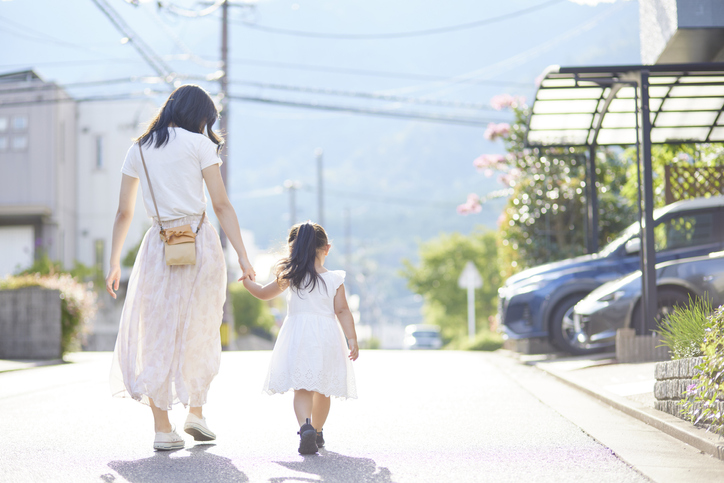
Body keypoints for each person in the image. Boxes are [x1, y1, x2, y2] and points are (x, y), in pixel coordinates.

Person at [105, 84, 255, 451]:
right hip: (199, 241)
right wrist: (243, 256)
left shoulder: (138, 148)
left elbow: (124, 212)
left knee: (156, 332)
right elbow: (221, 206)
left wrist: (113, 262)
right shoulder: (201, 146)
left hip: (159, 246)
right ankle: (197, 413)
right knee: (201, 327)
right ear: (199, 116)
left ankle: (162, 429)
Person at [243, 221, 358, 455]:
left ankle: (305, 426)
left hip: (298, 336)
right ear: (326, 248)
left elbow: (264, 293)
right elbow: (343, 310)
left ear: (293, 249)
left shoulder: (291, 275)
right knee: (323, 389)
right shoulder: (334, 278)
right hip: (326, 338)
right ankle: (317, 431)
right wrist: (352, 339)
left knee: (302, 388)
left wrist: (247, 281)